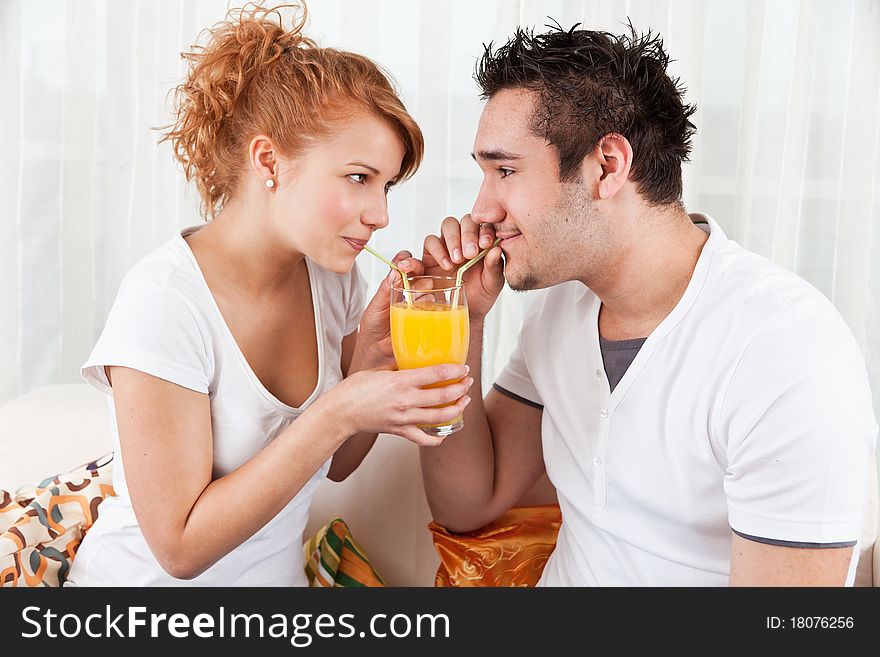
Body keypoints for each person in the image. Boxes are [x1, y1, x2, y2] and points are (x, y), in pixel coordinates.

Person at [386, 24, 878, 586]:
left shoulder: (786, 350)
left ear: (608, 166)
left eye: (506, 171)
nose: (482, 208)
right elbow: (467, 503)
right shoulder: (561, 311)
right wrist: (463, 321)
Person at [66, 3, 472, 587]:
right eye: (359, 178)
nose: (380, 214)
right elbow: (179, 549)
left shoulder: (333, 278)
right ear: (268, 161)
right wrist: (340, 407)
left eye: (386, 186)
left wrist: (372, 364)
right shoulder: (163, 303)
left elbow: (336, 464)